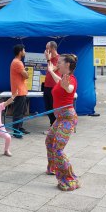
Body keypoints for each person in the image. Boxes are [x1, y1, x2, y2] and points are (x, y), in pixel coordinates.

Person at [46, 54, 79, 191]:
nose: (57, 64)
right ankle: (54, 167)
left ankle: (70, 179)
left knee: (58, 148)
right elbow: (59, 81)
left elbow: (70, 88)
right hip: (60, 118)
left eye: (59, 62)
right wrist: (51, 71)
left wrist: (67, 88)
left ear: (67, 65)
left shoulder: (71, 80)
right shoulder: (63, 79)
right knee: (49, 141)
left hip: (67, 118)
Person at [10, 44, 29, 138]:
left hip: (21, 90)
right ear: (20, 51)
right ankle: (16, 131)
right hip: (19, 91)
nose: (25, 52)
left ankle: (20, 128)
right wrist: (26, 72)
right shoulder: (17, 62)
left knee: (21, 111)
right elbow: (26, 75)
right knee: (18, 112)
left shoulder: (17, 62)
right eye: (24, 50)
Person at [43, 41, 60, 133]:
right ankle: (52, 125)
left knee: (54, 107)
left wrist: (48, 60)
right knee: (47, 107)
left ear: (53, 49)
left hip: (54, 86)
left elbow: (52, 69)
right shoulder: (50, 58)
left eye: (47, 48)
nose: (46, 50)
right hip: (47, 86)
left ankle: (54, 128)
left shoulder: (59, 58)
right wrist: (48, 59)